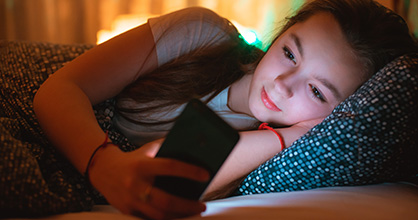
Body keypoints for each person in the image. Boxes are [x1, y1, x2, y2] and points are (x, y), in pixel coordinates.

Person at [0, 0, 413, 219]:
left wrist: (293, 135)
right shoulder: (202, 34)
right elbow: (60, 87)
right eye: (289, 52)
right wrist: (104, 165)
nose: (282, 85)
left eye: (318, 92)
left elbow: (165, 179)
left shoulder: (275, 152)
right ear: (281, 33)